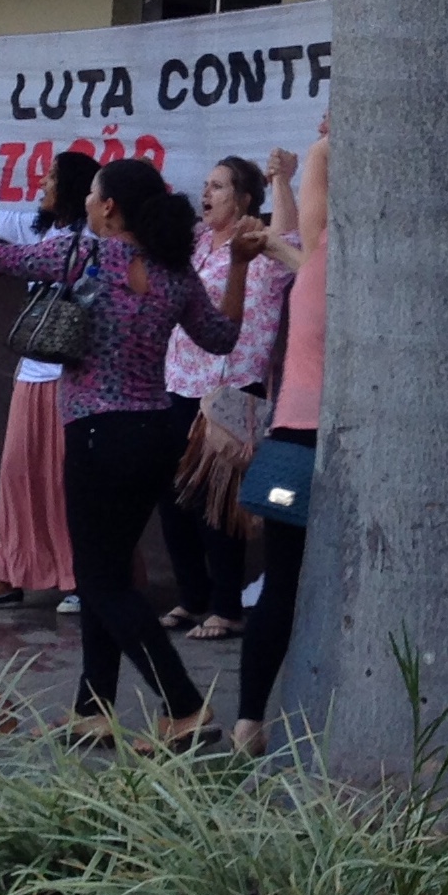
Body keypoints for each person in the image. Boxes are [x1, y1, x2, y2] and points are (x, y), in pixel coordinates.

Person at [0, 155, 261, 744]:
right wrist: (236, 267)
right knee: (103, 572)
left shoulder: (80, 254)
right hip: (155, 432)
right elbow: (223, 336)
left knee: (100, 582)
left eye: (92, 196)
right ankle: (92, 709)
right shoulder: (175, 272)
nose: (84, 204)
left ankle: (183, 705)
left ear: (107, 207)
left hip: (98, 433)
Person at [0, 150, 96, 614]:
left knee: (66, 480)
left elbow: (20, 259)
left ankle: (80, 580)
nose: (42, 184)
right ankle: (9, 574)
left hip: (74, 377)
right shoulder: (36, 224)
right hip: (30, 374)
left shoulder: (90, 238)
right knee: (17, 475)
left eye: (51, 177)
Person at [159, 154, 292, 641]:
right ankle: (192, 598)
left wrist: (283, 180)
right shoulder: (196, 243)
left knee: (219, 506)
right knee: (172, 500)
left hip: (231, 389)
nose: (207, 194)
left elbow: (292, 240)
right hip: (177, 383)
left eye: (218, 186)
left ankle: (227, 607)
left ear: (244, 199)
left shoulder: (259, 250)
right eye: (206, 185)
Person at [236, 133, 322, 757]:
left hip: (293, 444)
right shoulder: (388, 273)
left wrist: (325, 143)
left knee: (281, 582)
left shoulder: (314, 263)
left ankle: (248, 721)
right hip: (342, 449)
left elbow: (317, 178)